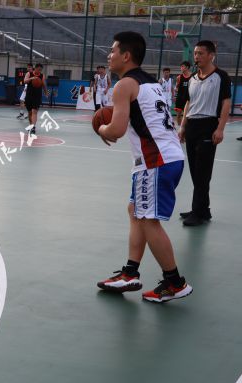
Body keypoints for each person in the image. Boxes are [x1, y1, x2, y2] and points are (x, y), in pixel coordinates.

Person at [96, 31, 192, 303]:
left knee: (149, 221)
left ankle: (175, 282)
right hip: (168, 156)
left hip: (155, 160)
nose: (109, 55)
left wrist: (101, 128)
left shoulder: (124, 85)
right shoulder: (151, 82)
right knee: (135, 210)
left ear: (126, 56)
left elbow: (116, 130)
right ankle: (130, 272)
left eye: (113, 51)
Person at [179, 40, 231, 226]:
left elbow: (226, 102)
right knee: (195, 170)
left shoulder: (221, 76)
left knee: (203, 171)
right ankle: (203, 209)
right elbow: (188, 103)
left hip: (208, 125)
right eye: (195, 53)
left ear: (211, 55)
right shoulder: (193, 77)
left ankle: (197, 212)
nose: (196, 57)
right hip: (192, 126)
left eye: (200, 53)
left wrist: (220, 128)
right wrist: (183, 126)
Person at [23, 63, 48, 135]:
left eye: (41, 70)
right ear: (35, 68)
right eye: (38, 69)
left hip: (37, 96)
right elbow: (25, 81)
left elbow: (44, 85)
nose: (39, 71)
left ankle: (33, 127)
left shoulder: (42, 75)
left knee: (34, 111)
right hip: (29, 95)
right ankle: (31, 125)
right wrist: (31, 78)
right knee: (30, 112)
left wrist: (46, 93)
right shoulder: (29, 73)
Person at [174, 61, 192, 126]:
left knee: (187, 116)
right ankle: (179, 128)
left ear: (187, 67)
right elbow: (176, 88)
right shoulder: (179, 77)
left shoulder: (193, 77)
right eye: (181, 66)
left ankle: (186, 129)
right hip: (180, 98)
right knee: (178, 116)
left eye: (182, 66)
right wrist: (175, 96)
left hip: (188, 99)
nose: (181, 68)